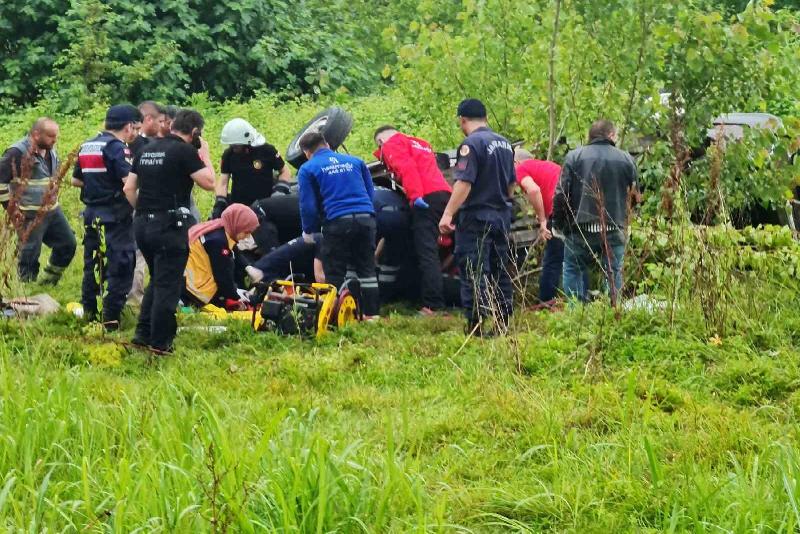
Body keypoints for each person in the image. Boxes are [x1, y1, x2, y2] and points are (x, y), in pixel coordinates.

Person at [123, 109, 215, 353]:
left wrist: (143, 210)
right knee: (168, 285)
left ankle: (142, 335)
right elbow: (209, 183)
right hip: (169, 226)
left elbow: (129, 189)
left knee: (157, 279)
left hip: (142, 224)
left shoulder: (146, 148)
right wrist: (204, 154)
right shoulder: (184, 151)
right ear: (194, 132)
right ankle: (160, 344)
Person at [438, 99, 515, 336]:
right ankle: (503, 322)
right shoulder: (504, 143)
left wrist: (448, 213)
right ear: (486, 117)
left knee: (473, 270)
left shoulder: (471, 144)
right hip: (501, 216)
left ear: (462, 120)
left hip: (476, 218)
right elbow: (512, 185)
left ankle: (476, 324)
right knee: (500, 269)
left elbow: (464, 182)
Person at [552, 119, 639, 303]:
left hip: (580, 227)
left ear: (590, 136)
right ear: (611, 135)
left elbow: (561, 194)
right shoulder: (627, 159)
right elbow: (635, 196)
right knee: (613, 271)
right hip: (614, 226)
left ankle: (575, 314)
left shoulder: (574, 157)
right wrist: (625, 219)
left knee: (573, 268)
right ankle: (612, 311)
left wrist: (559, 225)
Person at [72, 105, 142, 330]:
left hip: (91, 214)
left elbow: (76, 180)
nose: (137, 134)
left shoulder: (87, 145)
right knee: (120, 266)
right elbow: (127, 183)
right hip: (115, 217)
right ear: (128, 126)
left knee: (93, 265)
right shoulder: (118, 148)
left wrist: (98, 187)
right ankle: (111, 320)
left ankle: (90, 313)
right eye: (136, 128)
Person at [296, 131, 379, 319]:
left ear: (306, 152)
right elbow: (370, 192)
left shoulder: (308, 168)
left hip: (337, 221)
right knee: (366, 267)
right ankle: (371, 315)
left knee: (335, 269)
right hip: (366, 217)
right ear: (326, 143)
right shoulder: (356, 161)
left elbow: (307, 205)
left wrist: (308, 230)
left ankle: (335, 316)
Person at [373, 125, 452, 315]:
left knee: (426, 252)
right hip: (444, 195)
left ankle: (433, 305)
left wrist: (415, 196)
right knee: (433, 246)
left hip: (425, 197)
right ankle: (423, 296)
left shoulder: (392, 144)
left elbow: (406, 168)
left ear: (381, 141)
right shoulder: (420, 143)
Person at [0, 117, 76, 284]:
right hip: (29, 214)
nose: (54, 140)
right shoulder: (16, 152)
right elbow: (0, 183)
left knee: (68, 245)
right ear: (36, 134)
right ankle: (27, 290)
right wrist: (12, 209)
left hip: (52, 211)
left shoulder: (50, 149)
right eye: (50, 136)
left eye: (56, 136)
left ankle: (48, 282)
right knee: (29, 255)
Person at [512, 148, 564, 303]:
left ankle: (546, 302)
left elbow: (534, 190)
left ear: (516, 162)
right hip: (575, 209)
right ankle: (579, 301)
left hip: (559, 211)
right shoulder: (550, 165)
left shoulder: (521, 168)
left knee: (552, 259)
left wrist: (542, 221)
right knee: (573, 257)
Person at [183, 203, 259, 309]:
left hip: (186, 282)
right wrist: (236, 296)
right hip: (195, 290)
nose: (248, 237)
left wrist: (248, 267)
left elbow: (234, 250)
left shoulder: (221, 227)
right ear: (237, 226)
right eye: (246, 232)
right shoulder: (218, 243)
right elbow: (223, 277)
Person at [212, 118, 292, 218]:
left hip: (265, 206)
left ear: (246, 141)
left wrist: (280, 191)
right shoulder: (229, 155)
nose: (233, 147)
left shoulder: (267, 151)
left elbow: (285, 171)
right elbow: (223, 182)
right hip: (240, 208)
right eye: (231, 145)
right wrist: (220, 203)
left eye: (235, 145)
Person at [245, 232, 324, 285]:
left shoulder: (317, 238)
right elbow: (319, 278)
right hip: (263, 274)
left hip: (261, 269)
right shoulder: (322, 241)